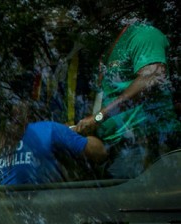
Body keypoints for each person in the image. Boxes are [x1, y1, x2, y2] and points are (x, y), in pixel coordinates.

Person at [74, 18, 180, 178]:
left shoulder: (144, 33)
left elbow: (152, 77)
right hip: (115, 148)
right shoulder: (108, 49)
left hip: (145, 141)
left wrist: (98, 118)